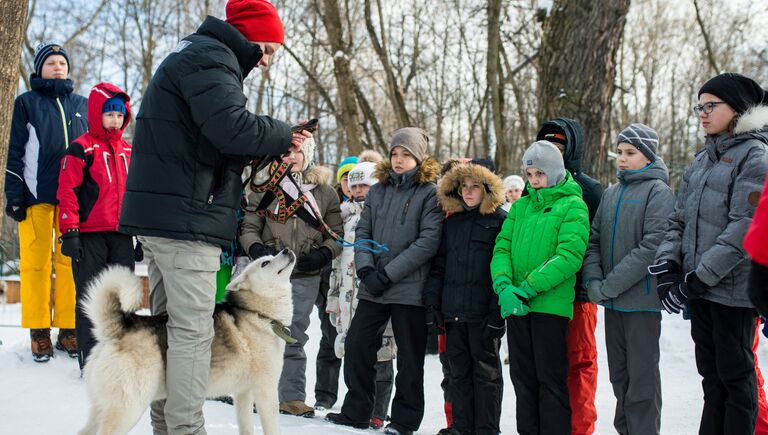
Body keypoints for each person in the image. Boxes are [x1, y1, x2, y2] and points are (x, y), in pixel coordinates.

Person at [117, 1, 306, 433]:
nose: (268, 61)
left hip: (174, 217)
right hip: (186, 221)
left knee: (170, 332)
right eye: (270, 50)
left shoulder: (201, 56)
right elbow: (231, 128)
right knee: (192, 334)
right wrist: (283, 134)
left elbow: (215, 140)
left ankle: (168, 428)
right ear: (250, 35)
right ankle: (186, 430)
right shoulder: (211, 58)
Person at [652, 73, 768, 435]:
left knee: (736, 380)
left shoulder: (756, 155)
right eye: (699, 106)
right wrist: (670, 267)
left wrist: (700, 277)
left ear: (737, 107)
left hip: (732, 292)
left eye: (710, 105)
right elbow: (678, 219)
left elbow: (744, 227)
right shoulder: (703, 159)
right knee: (711, 378)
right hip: (699, 289)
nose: (702, 113)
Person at [326, 127, 443, 435]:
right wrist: (366, 270)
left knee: (409, 358)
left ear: (418, 158)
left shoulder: (429, 192)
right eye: (395, 154)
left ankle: (404, 420)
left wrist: (388, 274)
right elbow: (363, 232)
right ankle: (356, 411)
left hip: (408, 288)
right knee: (357, 345)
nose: (399, 160)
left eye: (406, 155)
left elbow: (427, 242)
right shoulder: (377, 190)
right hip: (374, 284)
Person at [490, 140, 590, 435]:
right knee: (523, 378)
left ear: (556, 172)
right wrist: (504, 285)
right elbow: (502, 248)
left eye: (540, 174)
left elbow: (569, 256)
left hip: (549, 306)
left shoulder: (573, 205)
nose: (534, 181)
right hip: (516, 304)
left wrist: (527, 288)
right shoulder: (520, 207)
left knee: (550, 379)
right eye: (530, 174)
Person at [240, 137, 342, 417]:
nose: (291, 157)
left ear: (307, 155)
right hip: (269, 272)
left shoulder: (324, 192)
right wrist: (256, 248)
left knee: (293, 331)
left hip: (305, 272)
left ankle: (292, 397)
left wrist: (324, 253)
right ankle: (252, 392)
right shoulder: (265, 189)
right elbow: (249, 227)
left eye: (297, 151)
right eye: (286, 152)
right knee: (259, 330)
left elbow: (336, 233)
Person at [582, 123, 673, 434]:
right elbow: (593, 241)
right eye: (619, 152)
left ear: (647, 156)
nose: (621, 158)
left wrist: (608, 286)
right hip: (613, 303)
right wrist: (593, 282)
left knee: (642, 380)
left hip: (641, 303)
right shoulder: (611, 193)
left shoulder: (658, 192)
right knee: (619, 377)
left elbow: (650, 248)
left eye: (630, 153)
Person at [4, 41, 88, 362]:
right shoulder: (26, 103)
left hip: (72, 199)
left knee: (69, 263)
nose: (58, 67)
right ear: (40, 68)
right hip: (35, 195)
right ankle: (39, 330)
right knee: (36, 263)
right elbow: (15, 151)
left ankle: (68, 328)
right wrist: (14, 195)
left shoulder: (81, 104)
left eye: (62, 63)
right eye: (51, 62)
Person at [56, 83, 136, 370]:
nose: (115, 120)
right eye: (109, 114)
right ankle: (90, 360)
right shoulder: (80, 148)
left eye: (119, 115)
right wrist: (70, 231)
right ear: (96, 114)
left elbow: (134, 193)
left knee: (122, 296)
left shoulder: (128, 149)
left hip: (122, 234)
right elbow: (67, 191)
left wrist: (135, 232)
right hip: (88, 235)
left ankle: (120, 354)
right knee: (91, 296)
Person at [424, 162, 507, 435]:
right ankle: (461, 426)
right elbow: (439, 266)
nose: (469, 192)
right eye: (464, 187)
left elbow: (505, 269)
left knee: (487, 375)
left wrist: (497, 313)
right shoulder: (452, 223)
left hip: (483, 313)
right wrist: (434, 305)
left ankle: (486, 429)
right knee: (457, 373)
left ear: (487, 189)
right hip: (453, 311)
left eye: (475, 187)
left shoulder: (500, 220)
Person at [536, 118, 603, 435]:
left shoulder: (589, 190)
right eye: (547, 147)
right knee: (545, 370)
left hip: (577, 296)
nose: (554, 154)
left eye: (559, 148)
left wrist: (592, 285)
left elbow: (596, 244)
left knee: (580, 366)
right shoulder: (530, 189)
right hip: (540, 297)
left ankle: (580, 430)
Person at [326, 161, 395, 429]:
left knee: (381, 355)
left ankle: (379, 410)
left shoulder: (382, 214)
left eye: (364, 184)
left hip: (375, 296)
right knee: (352, 353)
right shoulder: (344, 217)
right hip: (346, 296)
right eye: (354, 186)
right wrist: (333, 299)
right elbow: (336, 263)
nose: (358, 190)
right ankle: (356, 407)